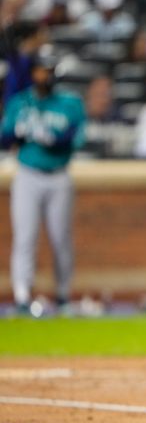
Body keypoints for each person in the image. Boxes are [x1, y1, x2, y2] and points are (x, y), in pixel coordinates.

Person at [0, 45, 86, 316]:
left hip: (58, 175)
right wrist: (18, 131)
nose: (43, 76)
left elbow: (74, 139)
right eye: (39, 70)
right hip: (27, 174)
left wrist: (51, 138)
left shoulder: (70, 103)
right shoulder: (20, 102)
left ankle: (62, 295)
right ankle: (22, 296)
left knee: (61, 239)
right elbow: (3, 139)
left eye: (48, 71)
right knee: (25, 237)